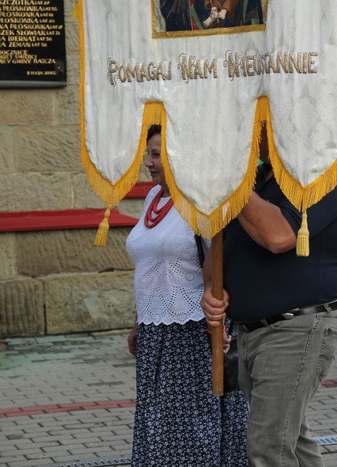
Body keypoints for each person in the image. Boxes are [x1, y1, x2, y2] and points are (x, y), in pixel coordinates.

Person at [201, 127, 337, 466]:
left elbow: (278, 235)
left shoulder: (322, 177)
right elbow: (219, 245)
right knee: (291, 440)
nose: (251, 132)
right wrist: (212, 290)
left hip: (295, 329)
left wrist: (232, 180)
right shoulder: (258, 179)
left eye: (261, 123)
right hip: (254, 331)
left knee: (268, 446)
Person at [126, 124, 248, 466]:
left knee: (193, 425)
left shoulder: (202, 201)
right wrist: (139, 321)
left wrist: (222, 325)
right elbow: (150, 266)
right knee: (157, 422)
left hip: (194, 331)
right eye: (147, 154)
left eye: (156, 155)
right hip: (154, 334)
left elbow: (224, 264)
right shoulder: (154, 197)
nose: (148, 163)